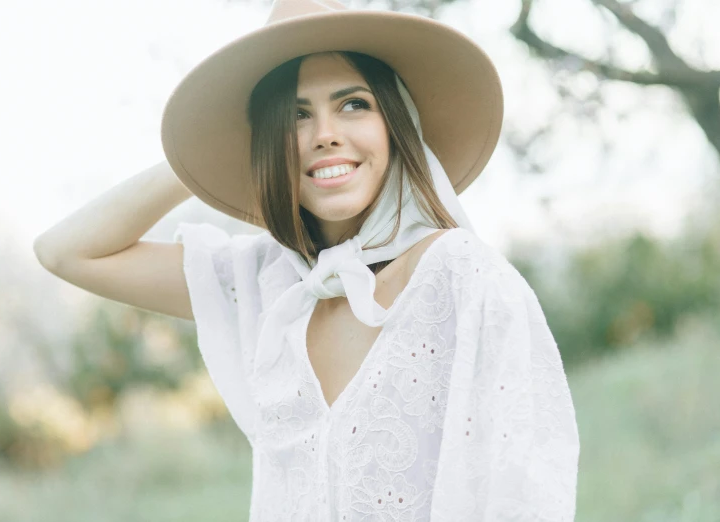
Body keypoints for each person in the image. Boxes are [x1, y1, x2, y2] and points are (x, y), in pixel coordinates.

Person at [34, 0, 580, 520]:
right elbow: (66, 252)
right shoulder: (261, 285)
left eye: (353, 104)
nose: (324, 136)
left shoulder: (464, 277)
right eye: (294, 117)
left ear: (397, 124)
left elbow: (526, 497)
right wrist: (201, 156)